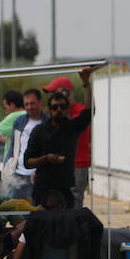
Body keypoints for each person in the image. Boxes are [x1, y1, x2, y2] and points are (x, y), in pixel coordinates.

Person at [23, 68, 95, 208]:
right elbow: (27, 162)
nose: (59, 110)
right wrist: (46, 158)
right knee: (42, 225)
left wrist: (86, 83)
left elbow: (89, 111)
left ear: (67, 109)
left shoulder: (71, 127)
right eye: (55, 107)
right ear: (49, 110)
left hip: (64, 188)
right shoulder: (39, 131)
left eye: (62, 107)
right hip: (42, 187)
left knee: (69, 224)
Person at [42, 75, 91, 208]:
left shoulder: (77, 111)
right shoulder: (56, 113)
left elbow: (89, 111)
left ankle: (74, 228)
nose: (52, 96)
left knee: (74, 201)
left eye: (54, 92)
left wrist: (86, 85)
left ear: (65, 92)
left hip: (77, 164)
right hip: (61, 164)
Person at [3, 89, 47, 200]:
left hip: (38, 176)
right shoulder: (19, 121)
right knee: (16, 210)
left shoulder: (48, 122)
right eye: (26, 104)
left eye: (32, 103)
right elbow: (13, 147)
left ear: (40, 102)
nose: (29, 107)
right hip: (18, 174)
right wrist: (7, 167)